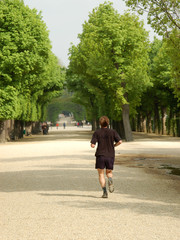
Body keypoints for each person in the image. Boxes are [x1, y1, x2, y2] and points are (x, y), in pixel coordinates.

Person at [90, 116, 122, 198]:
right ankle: (110, 179)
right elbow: (120, 141)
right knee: (109, 172)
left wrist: (93, 144)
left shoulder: (97, 132)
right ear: (108, 123)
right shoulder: (113, 132)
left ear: (100, 123)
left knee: (101, 174)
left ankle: (104, 192)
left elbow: (93, 145)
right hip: (110, 155)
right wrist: (113, 145)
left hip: (100, 155)